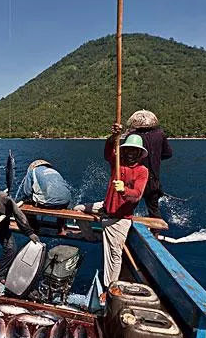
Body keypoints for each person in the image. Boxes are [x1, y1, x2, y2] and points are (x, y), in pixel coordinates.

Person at [74, 124, 148, 302]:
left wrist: (124, 190)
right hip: (106, 207)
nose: (130, 153)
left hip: (121, 217)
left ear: (140, 153)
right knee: (77, 211)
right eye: (128, 149)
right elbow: (108, 150)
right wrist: (114, 136)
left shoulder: (142, 171)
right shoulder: (117, 162)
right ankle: (92, 237)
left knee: (114, 255)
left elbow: (137, 195)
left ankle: (110, 288)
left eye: (134, 151)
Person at [126, 110, 172, 234]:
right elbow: (168, 154)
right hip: (153, 179)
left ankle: (125, 230)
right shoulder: (160, 134)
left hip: (137, 177)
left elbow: (125, 156)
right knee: (153, 208)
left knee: (127, 206)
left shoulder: (133, 136)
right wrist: (156, 158)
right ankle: (155, 234)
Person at [16, 160, 72, 236]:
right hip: (66, 201)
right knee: (60, 200)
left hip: (49, 202)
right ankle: (61, 229)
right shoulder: (54, 171)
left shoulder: (32, 171)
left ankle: (34, 228)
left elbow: (27, 192)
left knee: (26, 204)